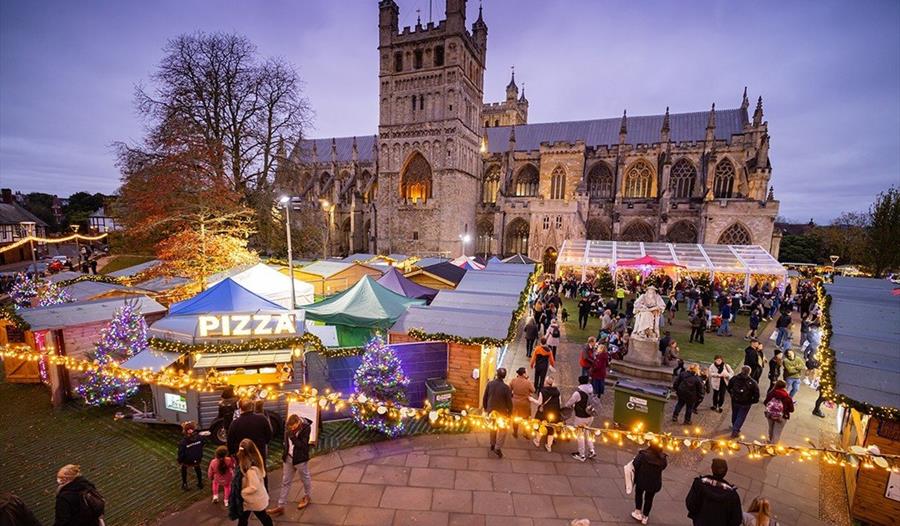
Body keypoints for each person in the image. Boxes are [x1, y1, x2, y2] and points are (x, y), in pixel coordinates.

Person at [267, 414, 313, 516]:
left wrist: (292, 437)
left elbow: (303, 445)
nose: (291, 429)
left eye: (293, 427)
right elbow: (285, 442)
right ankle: (281, 506)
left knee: (305, 478)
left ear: (298, 422)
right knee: (285, 481)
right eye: (290, 427)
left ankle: (307, 496)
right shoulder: (288, 427)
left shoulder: (306, 427)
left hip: (300, 459)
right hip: (288, 458)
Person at [685, 458, 743, 526]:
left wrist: (698, 517)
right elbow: (736, 519)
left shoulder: (699, 484)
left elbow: (690, 504)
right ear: (726, 472)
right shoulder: (732, 494)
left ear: (712, 468)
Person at [235, 439, 273, 526]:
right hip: (255, 499)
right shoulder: (256, 460)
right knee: (244, 518)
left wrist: (242, 492)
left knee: (262, 517)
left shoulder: (251, 470)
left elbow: (253, 487)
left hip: (252, 499)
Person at [630, 441, 668, 525]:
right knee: (649, 499)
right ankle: (645, 517)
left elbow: (635, 464)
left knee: (639, 494)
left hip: (642, 480)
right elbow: (664, 466)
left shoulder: (643, 455)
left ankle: (637, 512)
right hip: (654, 483)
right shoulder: (663, 457)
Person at [483, 368, 513, 458]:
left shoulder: (490, 384)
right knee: (503, 430)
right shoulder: (506, 388)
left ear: (497, 374)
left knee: (493, 427)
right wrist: (510, 413)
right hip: (502, 413)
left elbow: (485, 397)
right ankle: (497, 447)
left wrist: (485, 408)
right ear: (504, 376)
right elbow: (509, 402)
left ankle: (492, 444)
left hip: (491, 411)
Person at [566, 376, 596, 462]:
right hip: (590, 417)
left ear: (579, 383)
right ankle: (592, 450)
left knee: (580, 435)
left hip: (581, 417)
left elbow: (569, 403)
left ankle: (581, 455)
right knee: (587, 432)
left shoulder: (578, 393)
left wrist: (569, 405)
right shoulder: (591, 390)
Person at [727, 366, 760, 438]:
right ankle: (735, 430)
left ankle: (734, 426)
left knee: (735, 414)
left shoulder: (734, 379)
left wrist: (732, 395)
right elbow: (756, 395)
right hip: (746, 403)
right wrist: (752, 401)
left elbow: (729, 387)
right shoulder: (753, 382)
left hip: (735, 400)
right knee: (741, 416)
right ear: (749, 372)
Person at [530, 377, 561, 452]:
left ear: (546, 382)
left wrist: (531, 399)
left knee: (540, 426)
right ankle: (549, 446)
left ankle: (537, 441)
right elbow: (560, 402)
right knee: (551, 428)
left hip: (543, 412)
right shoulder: (557, 391)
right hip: (554, 412)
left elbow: (539, 403)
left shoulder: (543, 391)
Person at [177, 421, 205, 490]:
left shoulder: (183, 442)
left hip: (187, 460)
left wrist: (180, 460)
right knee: (197, 468)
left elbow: (181, 453)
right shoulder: (200, 438)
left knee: (184, 468)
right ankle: (200, 483)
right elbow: (203, 444)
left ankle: (184, 483)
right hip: (197, 458)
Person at [510, 367, 535, 439]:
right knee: (526, 419)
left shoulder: (513, 380)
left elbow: (510, 388)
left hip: (515, 403)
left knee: (515, 418)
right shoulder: (528, 382)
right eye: (526, 372)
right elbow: (533, 390)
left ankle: (515, 432)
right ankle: (525, 433)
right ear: (524, 374)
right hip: (525, 404)